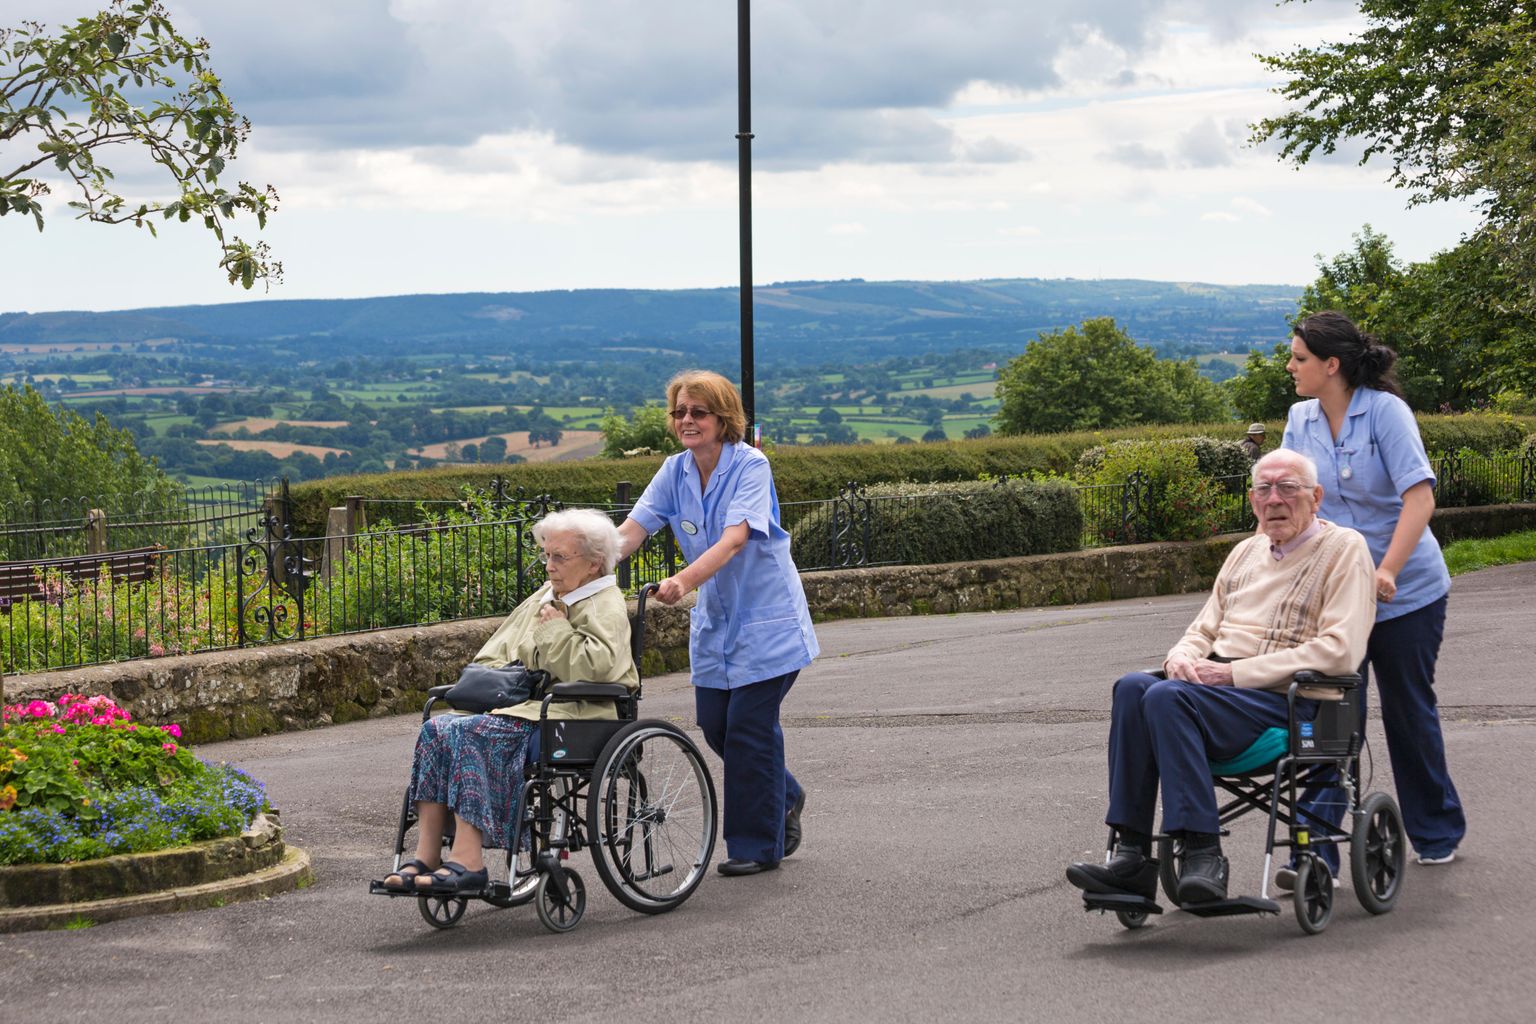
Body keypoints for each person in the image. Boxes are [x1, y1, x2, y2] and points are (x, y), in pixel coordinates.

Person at [1066, 449, 1375, 904]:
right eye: (1264, 490)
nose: (1275, 500)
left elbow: (1341, 651)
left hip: (1289, 702)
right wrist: (1180, 658)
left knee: (1167, 699)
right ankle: (1130, 855)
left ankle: (1204, 854)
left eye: (1288, 488)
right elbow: (1203, 628)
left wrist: (1234, 674)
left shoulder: (1344, 549)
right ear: (1252, 501)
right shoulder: (1244, 553)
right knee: (1134, 687)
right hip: (1217, 699)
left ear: (1316, 497)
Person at [1280, 310, 1465, 879]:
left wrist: (1385, 570)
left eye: (1299, 358)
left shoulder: (1385, 412)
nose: (1290, 367)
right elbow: (1294, 502)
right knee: (1328, 713)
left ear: (1331, 365)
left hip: (1407, 590)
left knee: (1407, 712)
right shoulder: (1299, 419)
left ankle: (1436, 831)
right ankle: (1317, 853)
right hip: (1339, 597)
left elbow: (1419, 500)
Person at [374, 508, 638, 895]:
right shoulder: (546, 597)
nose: (549, 565)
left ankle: (468, 860)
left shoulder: (604, 603)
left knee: (472, 732)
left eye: (560, 557)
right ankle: (427, 854)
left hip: (578, 713)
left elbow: (597, 670)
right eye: (546, 555)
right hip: (525, 708)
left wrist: (555, 632)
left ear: (595, 563)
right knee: (437, 729)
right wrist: (497, 680)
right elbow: (495, 651)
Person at [618, 370, 819, 877]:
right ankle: (785, 794)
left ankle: (756, 846)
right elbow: (632, 531)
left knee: (750, 728)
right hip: (718, 623)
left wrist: (682, 582)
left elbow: (733, 540)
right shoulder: (674, 470)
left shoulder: (751, 465)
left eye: (699, 412)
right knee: (715, 725)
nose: (687, 420)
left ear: (722, 418)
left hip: (767, 621)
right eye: (680, 411)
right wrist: (576, 566)